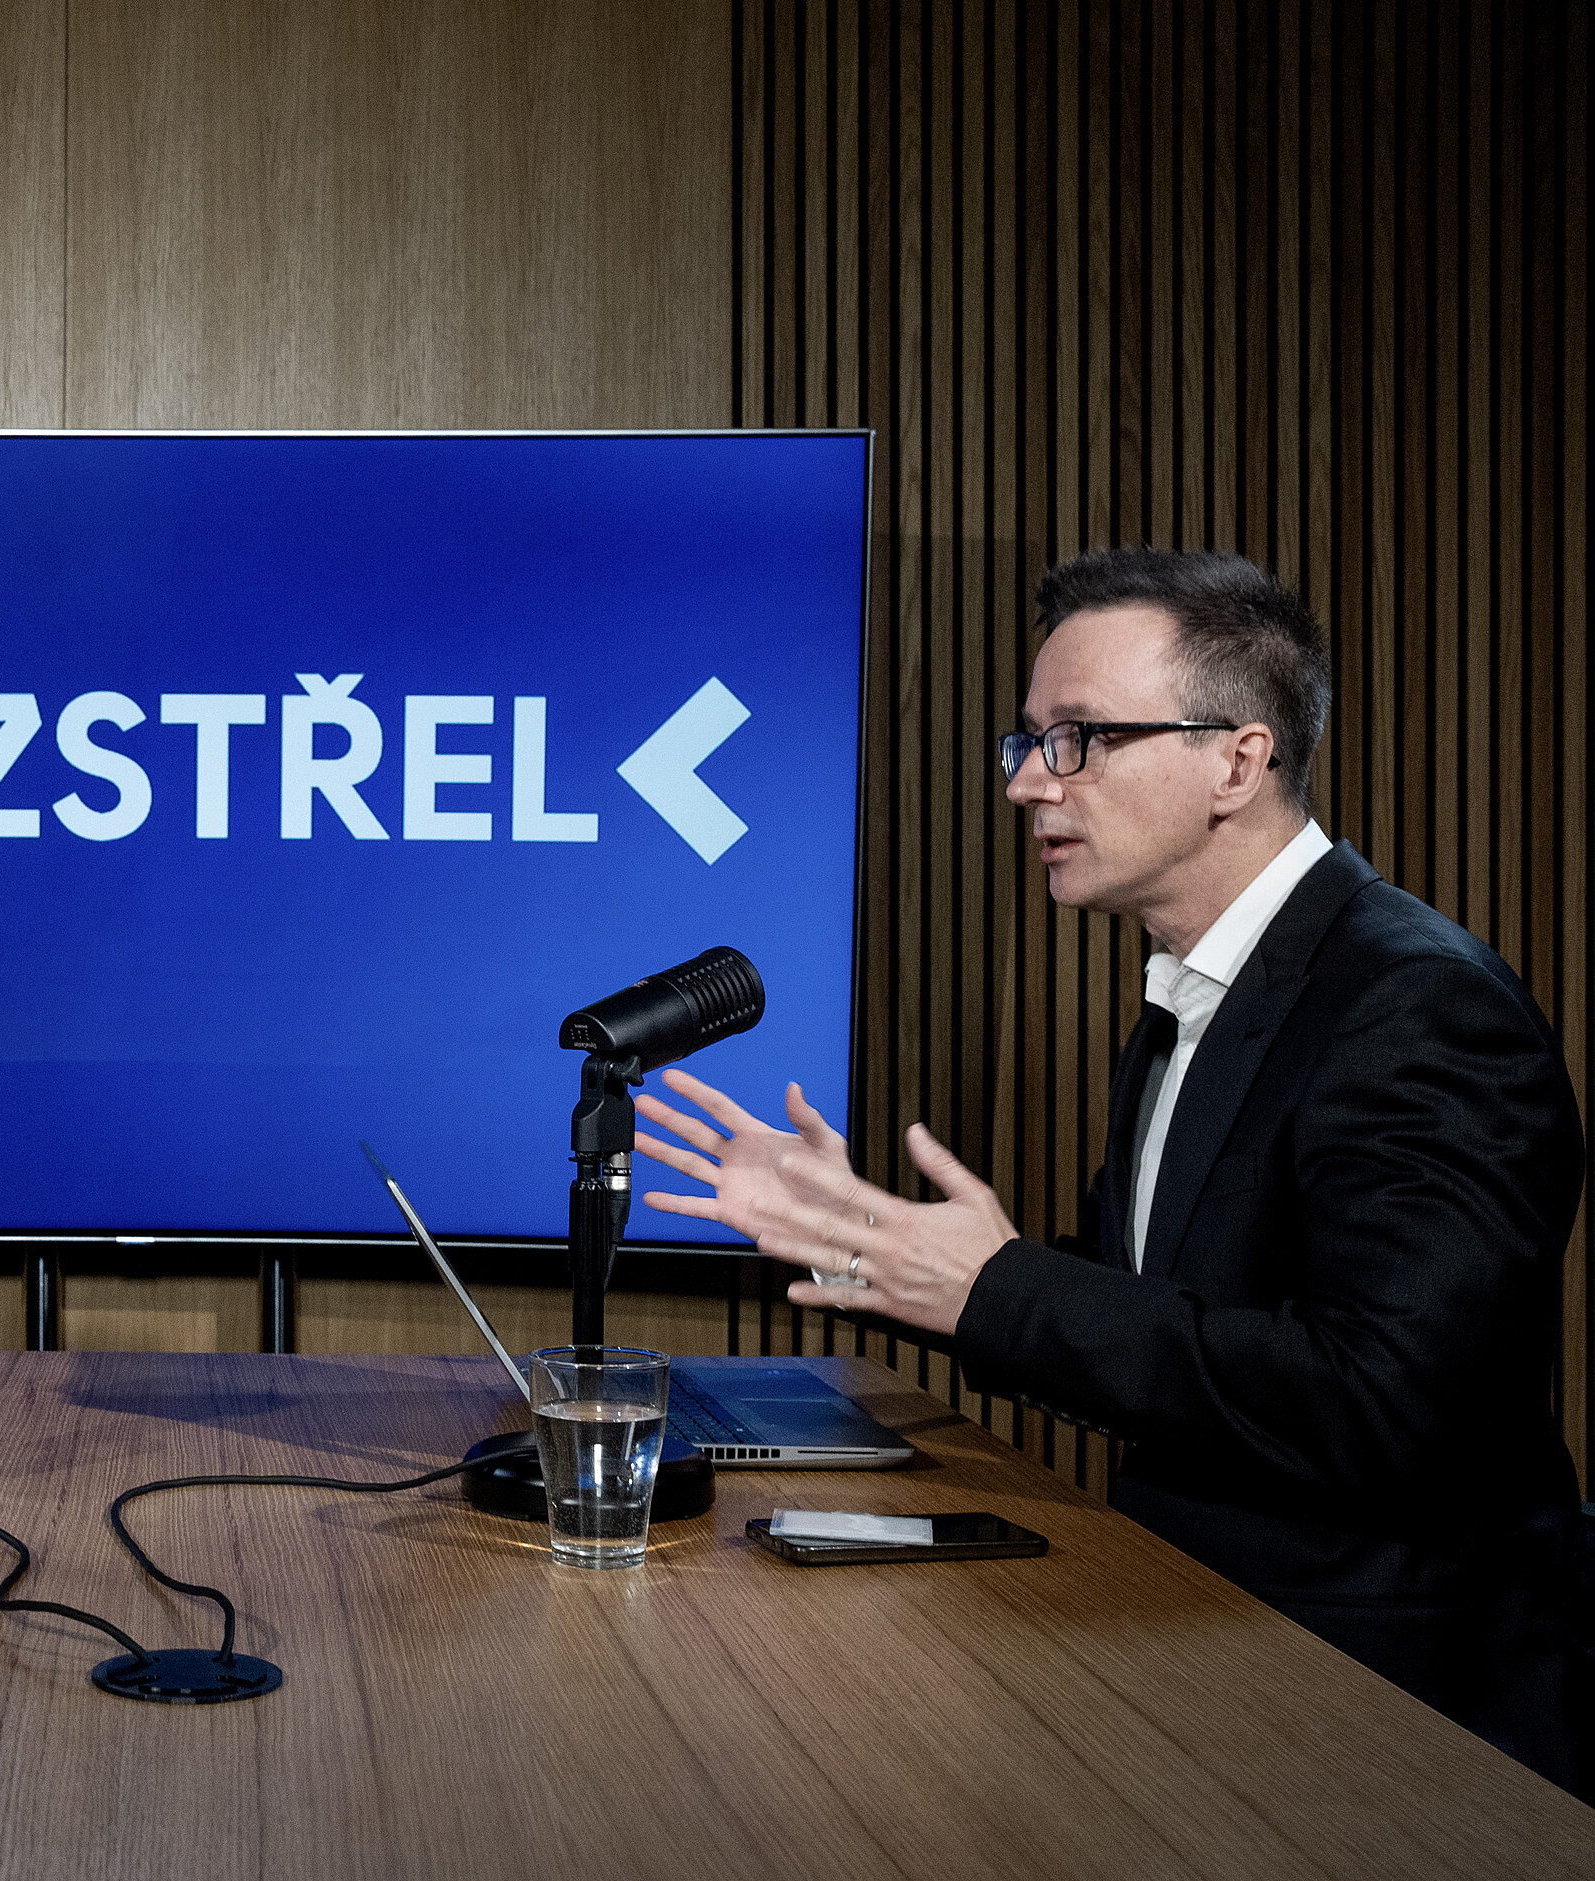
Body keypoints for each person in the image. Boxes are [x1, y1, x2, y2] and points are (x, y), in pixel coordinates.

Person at [632, 548, 1585, 1790]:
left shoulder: (1417, 1003)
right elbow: (1164, 1311)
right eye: (1028, 742)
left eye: (1078, 739)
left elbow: (1382, 1398)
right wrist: (873, 1246)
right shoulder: (1196, 991)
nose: (1028, 782)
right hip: (1197, 1641)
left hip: (1384, 1705)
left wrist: (994, 1284)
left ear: (1237, 761)